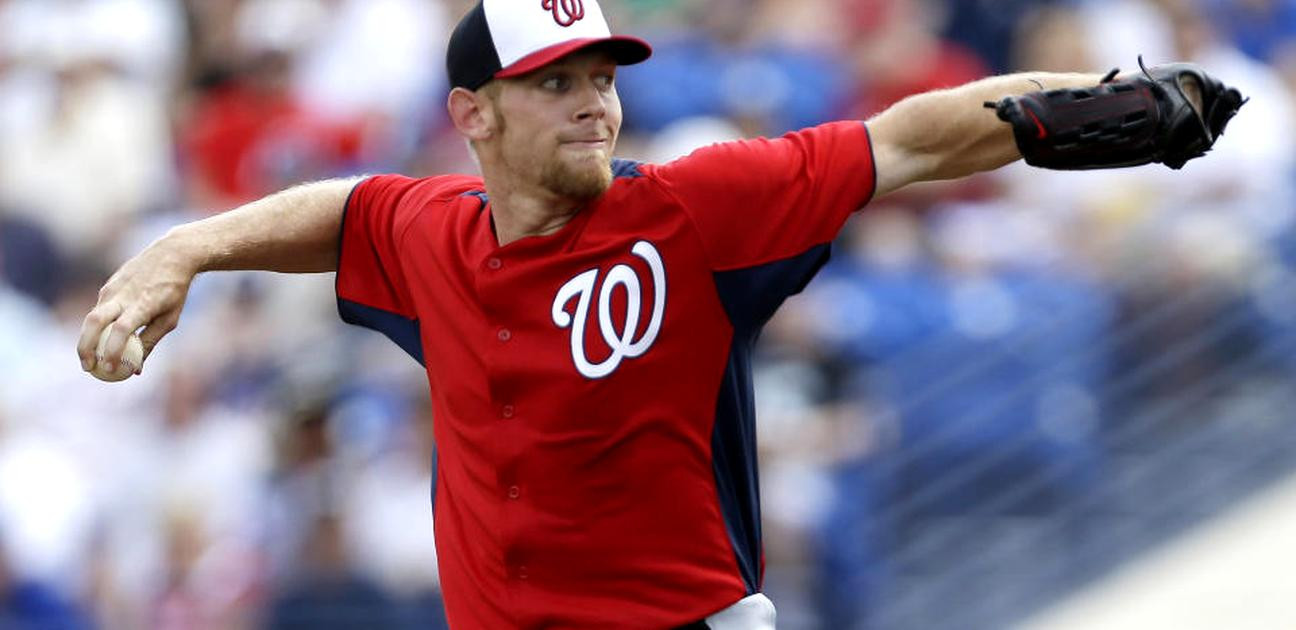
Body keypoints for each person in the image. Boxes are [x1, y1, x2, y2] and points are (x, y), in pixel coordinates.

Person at [77, 0, 1242, 627]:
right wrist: (186, 247)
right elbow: (344, 212)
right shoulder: (431, 230)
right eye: (555, 83)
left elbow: (906, 142)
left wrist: (1079, 110)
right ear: (473, 116)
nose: (593, 103)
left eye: (601, 77)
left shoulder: (691, 213)